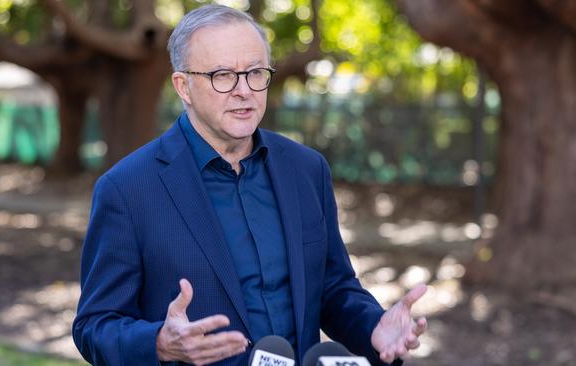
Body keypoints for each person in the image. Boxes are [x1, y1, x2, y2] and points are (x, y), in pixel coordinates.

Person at [72, 4, 427, 366]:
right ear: (184, 86)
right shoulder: (127, 189)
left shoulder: (306, 170)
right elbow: (94, 326)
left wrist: (373, 327)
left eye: (256, 72)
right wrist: (159, 343)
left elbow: (332, 289)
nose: (244, 90)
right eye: (223, 75)